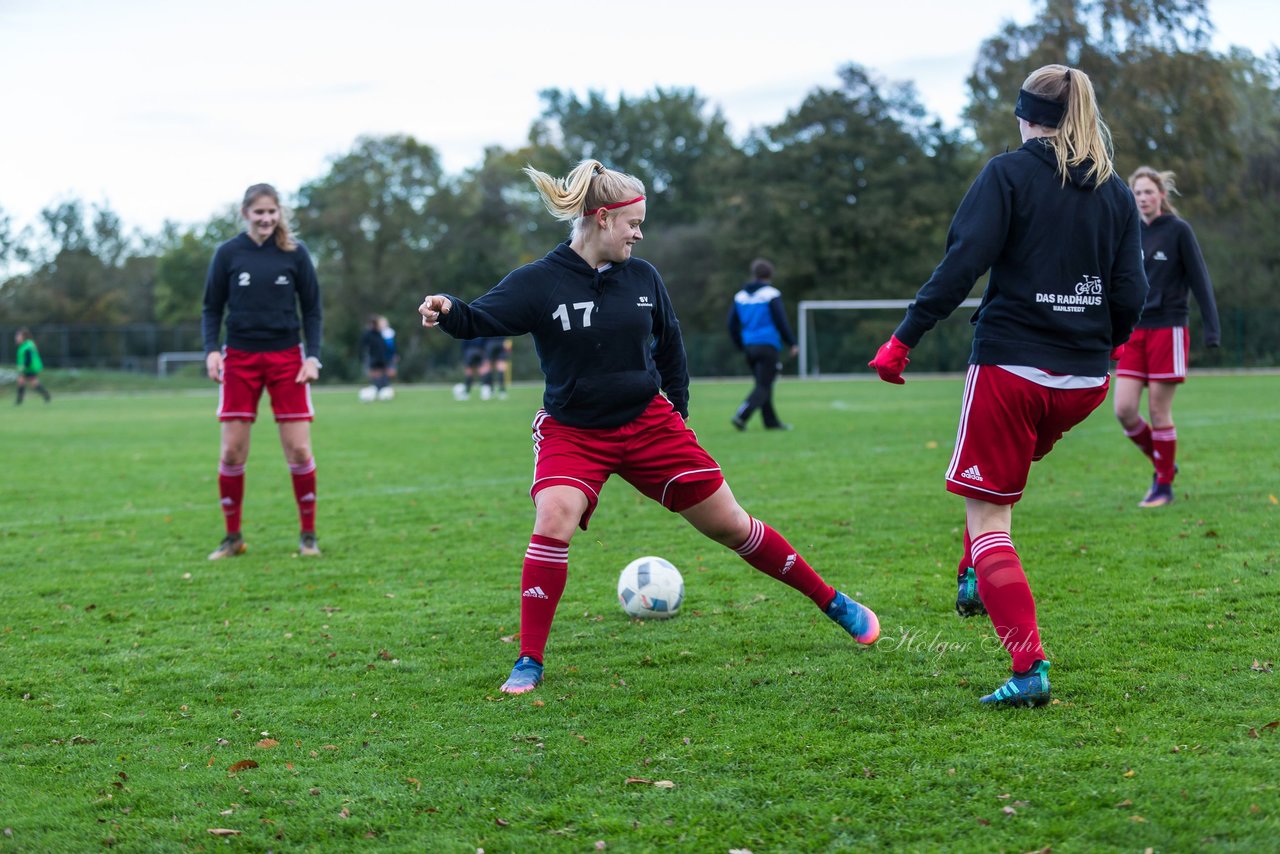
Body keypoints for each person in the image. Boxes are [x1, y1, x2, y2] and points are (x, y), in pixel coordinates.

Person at [419, 159, 879, 695]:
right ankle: (529, 660)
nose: (639, 232)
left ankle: (833, 601)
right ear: (602, 218)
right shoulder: (540, 282)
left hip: (649, 423)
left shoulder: (644, 277)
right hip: (574, 431)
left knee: (732, 525)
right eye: (633, 222)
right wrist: (447, 308)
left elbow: (670, 342)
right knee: (554, 516)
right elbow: (477, 318)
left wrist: (676, 413)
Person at [867, 65, 1147, 707]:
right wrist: (1102, 344)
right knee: (998, 481)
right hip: (1083, 385)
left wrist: (903, 338)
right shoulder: (1114, 190)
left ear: (1025, 115)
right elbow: (1131, 292)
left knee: (990, 514)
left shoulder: (1007, 173)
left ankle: (1029, 669)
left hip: (1011, 370)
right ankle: (971, 575)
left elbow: (963, 263)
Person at [201, 183, 324, 560]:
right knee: (233, 452)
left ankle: (308, 537)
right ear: (245, 214)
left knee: (300, 450)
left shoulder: (295, 254)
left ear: (279, 213)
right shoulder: (227, 254)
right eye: (259, 212)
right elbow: (211, 308)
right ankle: (233, 537)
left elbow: (313, 310)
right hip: (239, 358)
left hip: (288, 358)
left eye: (272, 212)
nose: (267, 218)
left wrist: (312, 357)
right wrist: (211, 352)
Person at [1113, 166, 1220, 508]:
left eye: (1148, 192)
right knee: (1125, 409)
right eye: (1137, 193)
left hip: (1168, 329)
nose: (1142, 198)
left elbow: (1201, 281)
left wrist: (1212, 328)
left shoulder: (1178, 231)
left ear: (1161, 195)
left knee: (1159, 411)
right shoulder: (1127, 232)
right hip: (1133, 332)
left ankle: (1163, 486)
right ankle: (1164, 465)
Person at [727, 257, 799, 430]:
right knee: (764, 385)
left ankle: (770, 422)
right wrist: (792, 343)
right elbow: (781, 321)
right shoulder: (771, 294)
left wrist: (740, 345)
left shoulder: (740, 296)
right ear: (770, 275)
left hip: (749, 347)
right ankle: (742, 415)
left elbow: (731, 324)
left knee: (763, 383)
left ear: (754, 274)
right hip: (767, 345)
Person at [14, 328, 52, 405]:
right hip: (28, 368)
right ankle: (19, 400)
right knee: (21, 381)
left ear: (23, 337)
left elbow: (29, 359)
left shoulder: (27, 346)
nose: (16, 338)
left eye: (18, 336)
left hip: (30, 368)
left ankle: (46, 395)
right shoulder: (25, 345)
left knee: (33, 383)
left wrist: (23, 366)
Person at [359, 314, 393, 400]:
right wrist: (363, 358)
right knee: (375, 376)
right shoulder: (367, 334)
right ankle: (375, 391)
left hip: (382, 359)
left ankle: (382, 392)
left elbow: (384, 347)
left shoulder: (380, 334)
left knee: (384, 376)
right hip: (373, 359)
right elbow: (363, 347)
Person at [378, 315, 399, 392]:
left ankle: (386, 386)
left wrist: (395, 354)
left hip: (389, 356)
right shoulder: (378, 333)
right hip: (381, 357)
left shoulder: (390, 332)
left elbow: (394, 345)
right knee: (380, 372)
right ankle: (380, 387)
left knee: (390, 372)